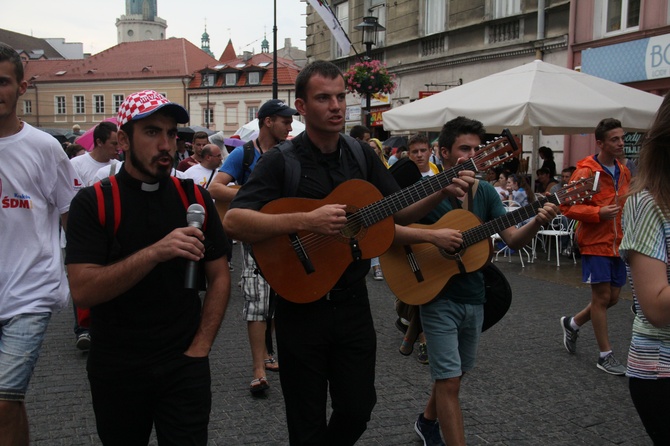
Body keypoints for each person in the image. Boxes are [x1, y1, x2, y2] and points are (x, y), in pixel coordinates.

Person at [224, 60, 472, 445]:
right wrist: (305, 221)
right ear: (302, 107)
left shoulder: (360, 154)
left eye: (340, 96)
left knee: (359, 407)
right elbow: (235, 221)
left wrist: (441, 189)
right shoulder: (281, 161)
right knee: (305, 418)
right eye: (324, 98)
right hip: (301, 306)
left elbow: (395, 212)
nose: (336, 106)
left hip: (352, 304)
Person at [65, 90, 231, 445]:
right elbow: (83, 290)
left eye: (171, 133)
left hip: (183, 364)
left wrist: (201, 347)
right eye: (153, 132)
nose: (166, 144)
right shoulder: (94, 202)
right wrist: (155, 252)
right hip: (117, 366)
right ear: (124, 140)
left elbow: (219, 277)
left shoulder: (195, 197)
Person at [393, 116, 557, 446]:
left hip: (474, 295)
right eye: (463, 148)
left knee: (455, 374)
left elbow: (512, 239)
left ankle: (427, 421)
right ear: (444, 152)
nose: (470, 155)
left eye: (474, 148)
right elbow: (393, 226)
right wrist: (436, 232)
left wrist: (537, 221)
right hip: (437, 296)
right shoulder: (427, 189)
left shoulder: (484, 193)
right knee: (450, 381)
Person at [0, 42, 81, 446]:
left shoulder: (45, 148)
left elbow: (71, 217)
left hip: (30, 292)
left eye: (2, 81)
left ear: (21, 86)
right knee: (7, 404)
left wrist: (91, 279)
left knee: (3, 400)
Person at [209, 98, 296, 395]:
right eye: (285, 120)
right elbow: (215, 187)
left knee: (284, 295)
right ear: (268, 121)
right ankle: (258, 367)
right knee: (257, 297)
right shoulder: (244, 154)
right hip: (255, 235)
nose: (290, 126)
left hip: (287, 233)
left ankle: (271, 352)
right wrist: (251, 195)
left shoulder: (292, 152)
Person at [559, 118, 631, 376]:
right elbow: (566, 207)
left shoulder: (624, 171)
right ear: (600, 143)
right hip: (595, 244)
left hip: (618, 244)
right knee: (601, 298)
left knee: (611, 299)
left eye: (622, 138)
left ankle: (573, 322)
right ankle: (605, 355)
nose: (621, 143)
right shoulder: (587, 172)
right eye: (615, 139)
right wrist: (597, 212)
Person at [619, 93, 670, 445]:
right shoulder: (647, 202)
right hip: (662, 368)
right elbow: (655, 306)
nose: (618, 143)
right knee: (602, 297)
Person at [68, 120, 121, 350]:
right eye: (112, 144)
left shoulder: (116, 166)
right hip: (80, 230)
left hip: (107, 230)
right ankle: (83, 329)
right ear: (98, 142)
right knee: (81, 278)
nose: (117, 148)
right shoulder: (76, 164)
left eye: (119, 144)